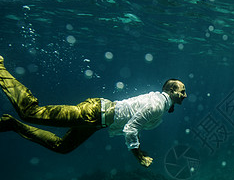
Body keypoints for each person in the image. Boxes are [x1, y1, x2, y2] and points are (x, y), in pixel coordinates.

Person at [0, 55, 187, 167]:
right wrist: (139, 155)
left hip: (97, 120)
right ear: (171, 91)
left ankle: (12, 124)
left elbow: (147, 114)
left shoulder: (160, 102)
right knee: (31, 112)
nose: (185, 95)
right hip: (92, 114)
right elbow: (130, 128)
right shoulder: (156, 104)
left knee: (63, 147)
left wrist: (170, 106)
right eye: (182, 91)